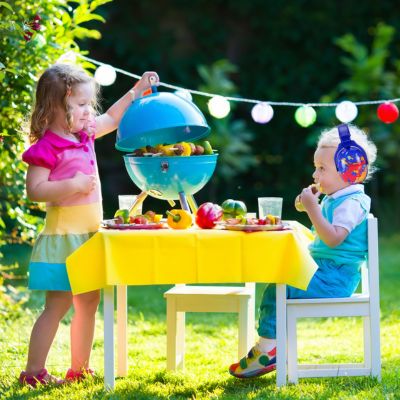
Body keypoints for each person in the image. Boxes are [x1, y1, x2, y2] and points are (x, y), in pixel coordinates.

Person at [19, 63, 159, 387]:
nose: (88, 111)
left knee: (88, 302)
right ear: (57, 105)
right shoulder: (46, 148)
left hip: (89, 237)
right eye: (81, 105)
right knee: (57, 305)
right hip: (64, 238)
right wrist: (74, 185)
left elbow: (111, 117)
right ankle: (33, 371)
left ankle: (78, 368)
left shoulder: (85, 134)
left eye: (88, 104)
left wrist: (137, 91)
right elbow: (35, 190)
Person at [229, 124, 377, 378]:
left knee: (279, 288)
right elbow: (314, 214)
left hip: (335, 279)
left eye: (322, 168)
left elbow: (333, 239)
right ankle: (272, 346)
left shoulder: (352, 203)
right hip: (326, 272)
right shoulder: (336, 195)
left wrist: (313, 209)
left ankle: (268, 350)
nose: (315, 173)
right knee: (279, 275)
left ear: (349, 171)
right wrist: (308, 203)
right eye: (316, 167)